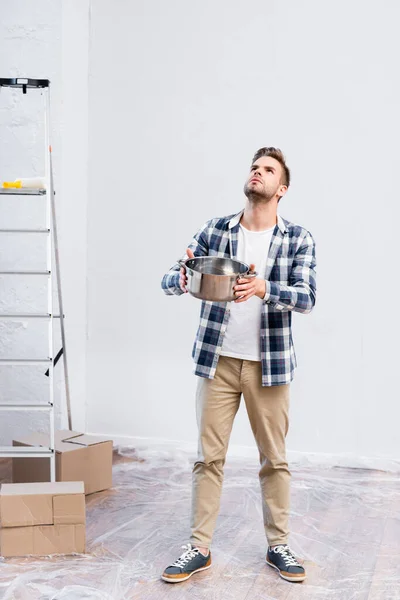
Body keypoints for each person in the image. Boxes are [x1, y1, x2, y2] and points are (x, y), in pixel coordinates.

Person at [160, 147, 317, 584]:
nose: (258, 172)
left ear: (281, 188)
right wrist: (188, 277)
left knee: (274, 459)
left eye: (268, 170)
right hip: (219, 360)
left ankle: (278, 545)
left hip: (270, 365)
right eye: (255, 167)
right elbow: (170, 279)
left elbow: (307, 297)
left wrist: (267, 287)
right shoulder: (216, 230)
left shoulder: (298, 238)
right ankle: (199, 547)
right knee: (208, 458)